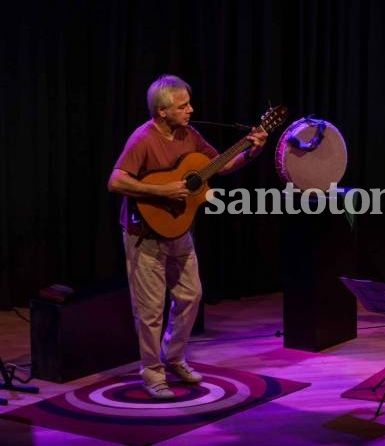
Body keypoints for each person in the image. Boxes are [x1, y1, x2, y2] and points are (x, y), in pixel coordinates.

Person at [107, 74, 268, 399]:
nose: (190, 109)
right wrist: (161, 189)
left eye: (189, 104)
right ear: (162, 111)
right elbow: (116, 181)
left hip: (180, 229)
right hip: (145, 234)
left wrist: (253, 150)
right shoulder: (142, 139)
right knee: (150, 310)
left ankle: (174, 356)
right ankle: (152, 374)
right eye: (183, 106)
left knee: (191, 296)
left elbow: (219, 166)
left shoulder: (188, 133)